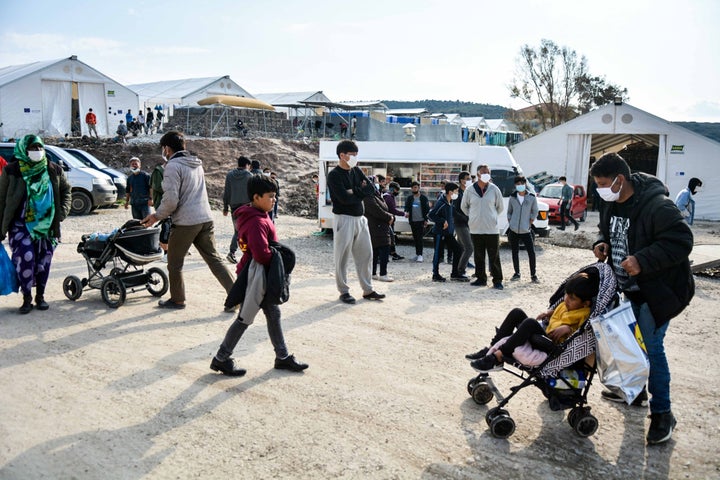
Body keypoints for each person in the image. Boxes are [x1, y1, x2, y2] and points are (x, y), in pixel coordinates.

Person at [590, 152, 694, 445]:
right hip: (630, 290)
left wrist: (642, 260)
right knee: (631, 344)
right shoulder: (611, 203)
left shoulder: (658, 206)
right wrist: (601, 244)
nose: (599, 189)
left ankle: (663, 413)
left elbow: (682, 241)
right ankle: (635, 392)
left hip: (660, 291)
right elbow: (606, 232)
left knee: (651, 346)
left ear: (619, 180)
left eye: (602, 183)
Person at [210, 175, 308, 376]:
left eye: (275, 196)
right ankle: (221, 358)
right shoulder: (256, 221)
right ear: (256, 197)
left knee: (272, 313)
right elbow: (261, 254)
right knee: (245, 317)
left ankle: (282, 357)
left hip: (258, 273)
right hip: (256, 275)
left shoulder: (258, 215)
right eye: (270, 196)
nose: (274, 200)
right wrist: (280, 254)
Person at [140, 131, 235, 309]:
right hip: (205, 218)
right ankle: (236, 297)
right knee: (215, 260)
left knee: (174, 263)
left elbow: (171, 200)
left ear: (167, 148)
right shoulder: (197, 164)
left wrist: (156, 216)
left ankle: (177, 299)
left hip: (186, 222)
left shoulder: (172, 166)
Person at [0, 135, 72, 313]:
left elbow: (66, 191)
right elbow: (1, 200)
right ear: (24, 150)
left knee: (44, 261)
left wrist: (61, 213)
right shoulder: (11, 171)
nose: (37, 152)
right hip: (20, 225)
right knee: (26, 258)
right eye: (33, 148)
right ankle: (26, 297)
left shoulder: (53, 169)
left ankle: (40, 296)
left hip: (47, 225)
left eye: (39, 148)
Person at [468, 272, 597, 370]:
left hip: (552, 346)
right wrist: (549, 313)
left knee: (530, 323)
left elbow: (583, 334)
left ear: (585, 303)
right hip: (544, 334)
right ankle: (491, 348)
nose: (566, 300)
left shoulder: (585, 314)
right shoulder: (567, 303)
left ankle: (498, 356)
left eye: (572, 298)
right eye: (566, 295)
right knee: (516, 313)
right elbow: (561, 312)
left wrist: (569, 329)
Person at [326, 140, 385, 304]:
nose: (354, 158)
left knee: (366, 255)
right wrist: (360, 190)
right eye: (352, 155)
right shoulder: (334, 175)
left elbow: (372, 189)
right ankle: (343, 291)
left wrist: (354, 191)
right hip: (343, 218)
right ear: (342, 155)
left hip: (360, 218)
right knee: (342, 257)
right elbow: (344, 199)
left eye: (356, 155)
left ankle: (368, 289)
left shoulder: (356, 170)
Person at [461, 164, 504, 289]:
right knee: (478, 255)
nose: (487, 174)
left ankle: (497, 280)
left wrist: (492, 217)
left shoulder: (494, 189)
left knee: (494, 256)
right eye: (484, 172)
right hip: (475, 228)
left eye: (488, 172)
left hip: (491, 229)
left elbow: (500, 207)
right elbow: (464, 207)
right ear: (478, 174)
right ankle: (481, 278)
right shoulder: (469, 190)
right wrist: (473, 217)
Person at [428, 182, 465, 282]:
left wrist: (468, 219)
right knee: (438, 255)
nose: (457, 193)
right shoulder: (441, 203)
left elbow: (455, 213)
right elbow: (431, 215)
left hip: (448, 233)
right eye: (456, 191)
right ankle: (435, 274)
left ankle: (455, 274)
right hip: (440, 233)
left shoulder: (450, 202)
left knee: (458, 250)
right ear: (450, 192)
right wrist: (442, 221)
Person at [507, 175, 539, 283]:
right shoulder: (512, 197)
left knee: (531, 252)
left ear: (525, 184)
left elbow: (535, 211)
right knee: (514, 252)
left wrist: (530, 221)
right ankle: (517, 273)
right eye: (517, 184)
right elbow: (509, 211)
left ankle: (533, 274)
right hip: (514, 230)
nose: (519, 186)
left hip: (526, 230)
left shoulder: (531, 197)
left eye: (521, 183)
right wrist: (511, 221)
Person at [363, 179, 394, 282]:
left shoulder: (375, 195)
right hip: (377, 227)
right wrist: (389, 217)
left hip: (379, 226)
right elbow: (377, 211)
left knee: (376, 250)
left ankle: (373, 273)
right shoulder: (368, 197)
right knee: (383, 249)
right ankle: (383, 274)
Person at [223, 156, 252, 264]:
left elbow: (227, 192)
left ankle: (234, 252)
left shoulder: (229, 175)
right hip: (247, 207)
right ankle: (237, 253)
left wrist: (225, 207)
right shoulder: (249, 175)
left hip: (234, 207)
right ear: (247, 165)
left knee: (238, 230)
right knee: (245, 230)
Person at [454, 171, 473, 278]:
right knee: (469, 248)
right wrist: (465, 218)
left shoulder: (469, 192)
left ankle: (458, 271)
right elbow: (454, 210)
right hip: (461, 223)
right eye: (467, 178)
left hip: (468, 223)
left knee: (462, 248)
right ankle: (461, 270)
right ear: (462, 180)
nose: (469, 181)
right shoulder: (457, 193)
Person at [404, 181, 429, 263]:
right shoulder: (410, 198)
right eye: (413, 187)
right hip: (412, 221)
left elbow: (427, 209)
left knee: (420, 238)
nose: (414, 189)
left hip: (421, 221)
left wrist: (426, 219)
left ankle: (420, 255)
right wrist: (406, 212)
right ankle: (417, 254)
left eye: (415, 187)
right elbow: (406, 207)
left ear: (418, 188)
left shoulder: (423, 198)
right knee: (415, 238)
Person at [150, 155, 168, 261]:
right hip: (162, 204)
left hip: (169, 203)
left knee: (170, 227)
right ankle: (163, 251)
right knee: (166, 227)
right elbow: (158, 187)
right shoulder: (158, 171)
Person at [382, 181, 405, 261]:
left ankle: (392, 253)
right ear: (393, 189)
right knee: (390, 237)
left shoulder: (388, 196)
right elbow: (393, 210)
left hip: (389, 220)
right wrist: (404, 214)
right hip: (388, 220)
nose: (398, 192)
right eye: (397, 190)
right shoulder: (389, 197)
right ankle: (389, 254)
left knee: (391, 237)